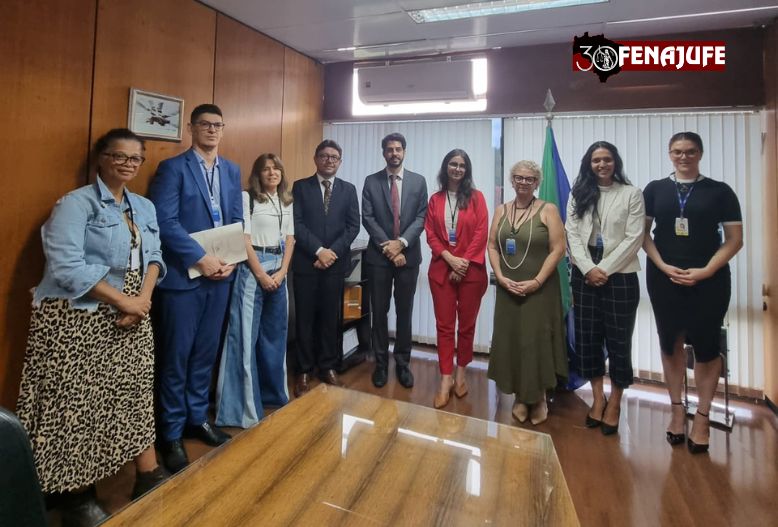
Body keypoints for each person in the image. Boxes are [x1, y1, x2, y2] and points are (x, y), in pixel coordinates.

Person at [15, 128, 168, 526]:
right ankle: (75, 494)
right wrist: (123, 301)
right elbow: (66, 267)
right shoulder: (75, 204)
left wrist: (142, 300)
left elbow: (154, 255)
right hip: (78, 316)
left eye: (135, 158)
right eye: (119, 156)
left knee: (134, 393)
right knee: (76, 403)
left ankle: (148, 473)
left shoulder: (144, 206)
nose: (128, 164)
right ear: (101, 158)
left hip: (135, 310)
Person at [149, 104, 243, 473]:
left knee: (205, 354)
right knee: (177, 356)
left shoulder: (231, 169)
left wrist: (231, 259)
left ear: (224, 129)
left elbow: (235, 218)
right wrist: (200, 258)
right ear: (191, 128)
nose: (212, 130)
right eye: (205, 124)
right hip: (183, 279)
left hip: (221, 277)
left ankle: (197, 418)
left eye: (218, 125)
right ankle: (170, 433)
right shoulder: (173, 168)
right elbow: (165, 221)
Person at [643, 132, 743, 453]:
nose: (683, 157)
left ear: (700, 153)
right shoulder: (655, 189)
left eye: (689, 151)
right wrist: (662, 265)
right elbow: (643, 235)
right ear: (669, 154)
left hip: (709, 281)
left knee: (706, 347)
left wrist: (707, 270)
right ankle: (676, 411)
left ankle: (702, 418)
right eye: (677, 151)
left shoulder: (720, 191)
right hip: (664, 279)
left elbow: (734, 240)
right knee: (669, 343)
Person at [566, 141, 645, 435]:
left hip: (621, 274)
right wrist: (589, 268)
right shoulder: (578, 194)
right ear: (589, 164)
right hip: (584, 272)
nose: (602, 164)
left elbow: (634, 238)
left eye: (607, 159)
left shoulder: (631, 194)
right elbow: (572, 234)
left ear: (615, 162)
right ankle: (598, 398)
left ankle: (616, 402)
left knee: (618, 341)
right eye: (596, 160)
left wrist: (604, 269)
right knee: (588, 339)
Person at [215, 153, 295, 428]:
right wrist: (261, 274)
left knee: (275, 334)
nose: (272, 173)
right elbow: (243, 240)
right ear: (258, 174)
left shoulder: (286, 200)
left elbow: (290, 239)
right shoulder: (247, 198)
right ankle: (243, 410)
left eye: (276, 168)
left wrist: (282, 272)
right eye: (266, 169)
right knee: (244, 337)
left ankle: (273, 395)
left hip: (279, 268)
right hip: (253, 269)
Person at [487, 160, 568, 425]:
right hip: (507, 288)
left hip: (539, 289)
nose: (523, 182)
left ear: (537, 183)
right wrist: (499, 276)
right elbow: (492, 246)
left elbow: (558, 249)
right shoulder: (501, 210)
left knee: (536, 341)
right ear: (512, 180)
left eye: (529, 179)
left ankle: (539, 397)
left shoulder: (548, 209)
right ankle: (521, 397)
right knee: (513, 340)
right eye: (519, 177)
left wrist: (537, 281)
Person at [291, 140, 360, 396]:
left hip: (335, 265)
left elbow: (353, 226)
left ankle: (327, 366)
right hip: (307, 263)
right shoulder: (300, 187)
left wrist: (331, 253)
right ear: (315, 159)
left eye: (334, 157)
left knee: (330, 318)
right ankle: (304, 370)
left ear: (340, 161)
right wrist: (319, 250)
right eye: (324, 156)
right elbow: (296, 223)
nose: (329, 160)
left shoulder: (348, 189)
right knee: (305, 319)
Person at [362, 133, 428, 389]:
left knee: (404, 311)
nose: (394, 153)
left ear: (404, 151)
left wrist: (401, 243)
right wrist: (389, 248)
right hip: (378, 258)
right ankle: (380, 363)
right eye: (389, 149)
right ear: (383, 153)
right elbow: (368, 218)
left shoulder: (418, 181)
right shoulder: (371, 181)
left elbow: (421, 217)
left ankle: (402, 363)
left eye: (398, 149)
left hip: (408, 257)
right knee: (379, 312)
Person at [424, 149, 489, 408]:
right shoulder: (435, 199)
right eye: (453, 164)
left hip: (471, 271)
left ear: (467, 170)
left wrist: (462, 264)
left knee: (467, 326)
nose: (457, 169)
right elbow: (430, 233)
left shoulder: (477, 198)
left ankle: (461, 374)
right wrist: (450, 259)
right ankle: (445, 379)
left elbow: (481, 232)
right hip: (442, 270)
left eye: (462, 165)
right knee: (444, 326)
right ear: (446, 167)